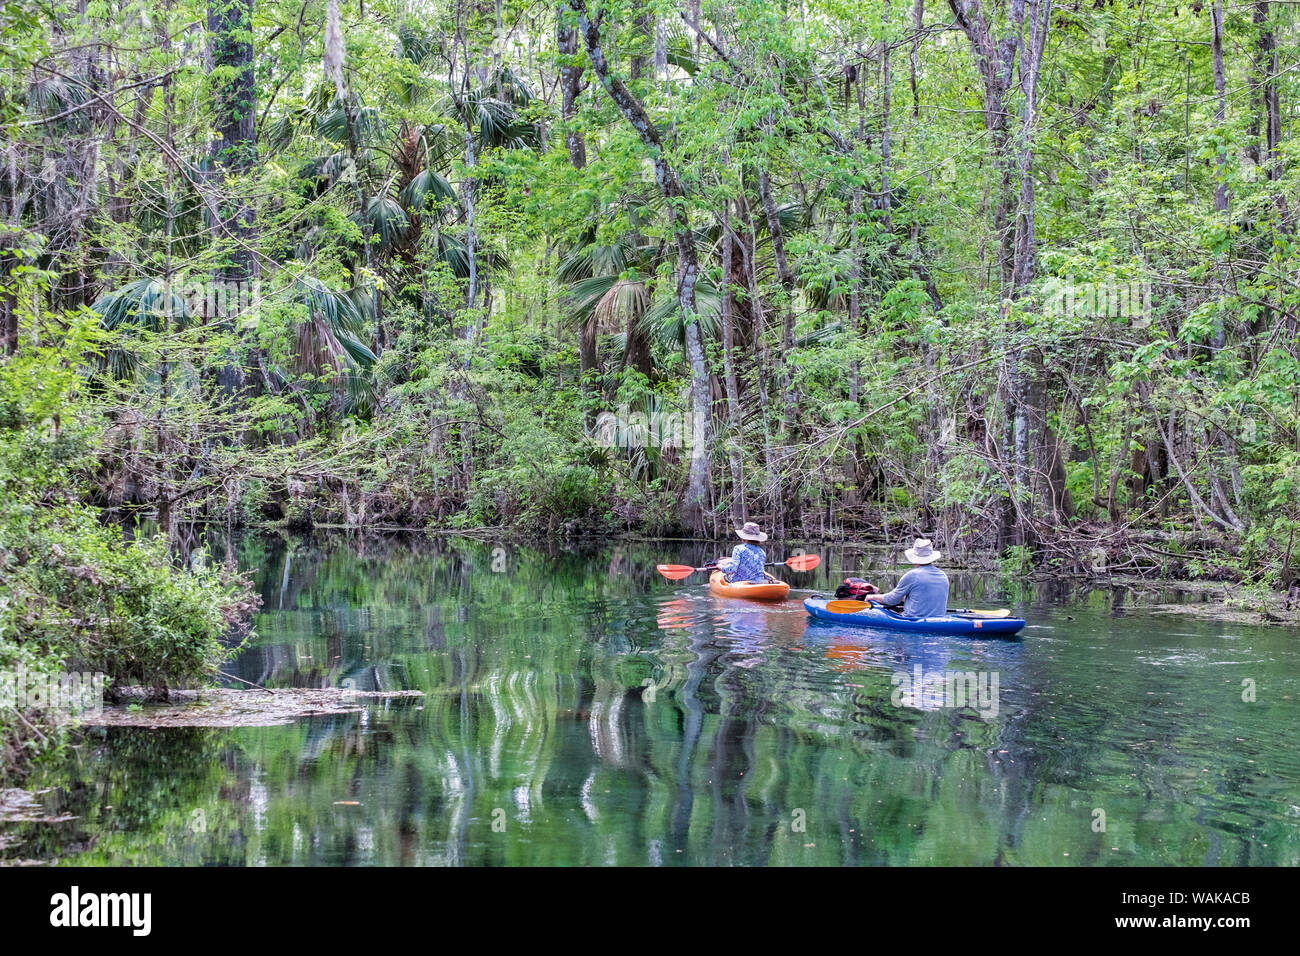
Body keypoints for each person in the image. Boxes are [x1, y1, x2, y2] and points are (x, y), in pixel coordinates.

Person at [867, 538, 950, 618]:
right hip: (939, 618)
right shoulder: (943, 575)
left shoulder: (912, 575)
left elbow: (892, 600)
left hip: (913, 619)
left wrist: (872, 597)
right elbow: (925, 596)